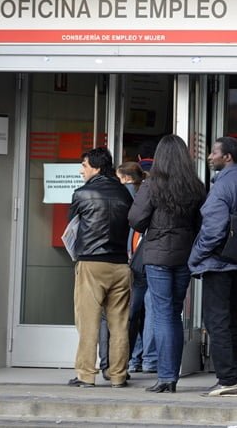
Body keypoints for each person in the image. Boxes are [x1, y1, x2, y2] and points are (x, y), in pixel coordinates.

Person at [129, 134, 206, 393]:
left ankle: (165, 377)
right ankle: (170, 375)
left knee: (162, 315)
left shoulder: (152, 186)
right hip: (184, 257)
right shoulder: (195, 186)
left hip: (157, 257)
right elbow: (200, 225)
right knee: (173, 314)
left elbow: (136, 219)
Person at [189, 136, 237, 397]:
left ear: (227, 157)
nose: (210, 157)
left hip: (218, 264)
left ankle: (227, 379)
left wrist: (195, 256)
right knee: (232, 320)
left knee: (217, 320)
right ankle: (233, 376)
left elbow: (213, 229)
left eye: (214, 153)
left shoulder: (223, 186)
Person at [67, 147, 134, 388]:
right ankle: (117, 375)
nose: (81, 170)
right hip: (120, 265)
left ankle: (86, 374)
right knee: (119, 324)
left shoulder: (82, 194)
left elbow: (72, 228)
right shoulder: (126, 195)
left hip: (91, 264)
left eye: (83, 165)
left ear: (95, 167)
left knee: (88, 322)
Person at [98, 161, 151, 381]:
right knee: (135, 316)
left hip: (124, 262)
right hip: (140, 263)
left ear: (126, 179)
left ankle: (112, 364)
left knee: (116, 317)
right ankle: (130, 361)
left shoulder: (123, 196)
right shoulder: (143, 195)